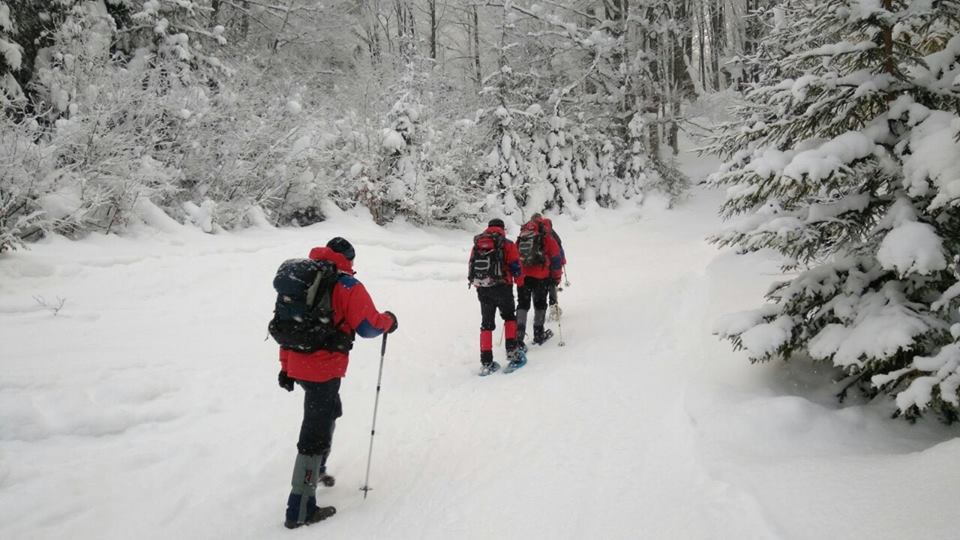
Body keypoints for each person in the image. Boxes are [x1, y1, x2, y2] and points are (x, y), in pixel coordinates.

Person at [277, 237, 398, 529]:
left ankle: (316, 469)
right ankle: (300, 508)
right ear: (348, 258)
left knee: (330, 411)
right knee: (314, 431)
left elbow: (286, 324)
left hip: (296, 362)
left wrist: (285, 366)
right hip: (324, 367)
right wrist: (389, 321)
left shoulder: (300, 279)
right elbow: (368, 326)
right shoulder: (345, 285)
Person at [468, 218, 524, 375]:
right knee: (509, 318)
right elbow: (516, 266)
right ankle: (513, 353)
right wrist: (520, 283)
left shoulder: (478, 243)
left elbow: (471, 265)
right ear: (502, 228)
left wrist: (479, 284)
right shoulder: (507, 244)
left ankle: (486, 361)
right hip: (502, 287)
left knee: (486, 324)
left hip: (483, 288)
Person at [515, 215, 562, 349]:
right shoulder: (546, 236)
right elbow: (556, 258)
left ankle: (518, 337)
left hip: (524, 276)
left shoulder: (523, 235)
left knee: (522, 305)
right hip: (541, 277)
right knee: (540, 304)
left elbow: (515, 254)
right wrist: (556, 278)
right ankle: (538, 333)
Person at [540, 217, 566, 312]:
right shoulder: (552, 235)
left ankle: (540, 310)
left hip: (539, 267)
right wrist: (562, 261)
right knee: (552, 285)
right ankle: (553, 305)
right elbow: (559, 249)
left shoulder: (536, 234)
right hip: (551, 266)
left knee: (541, 288)